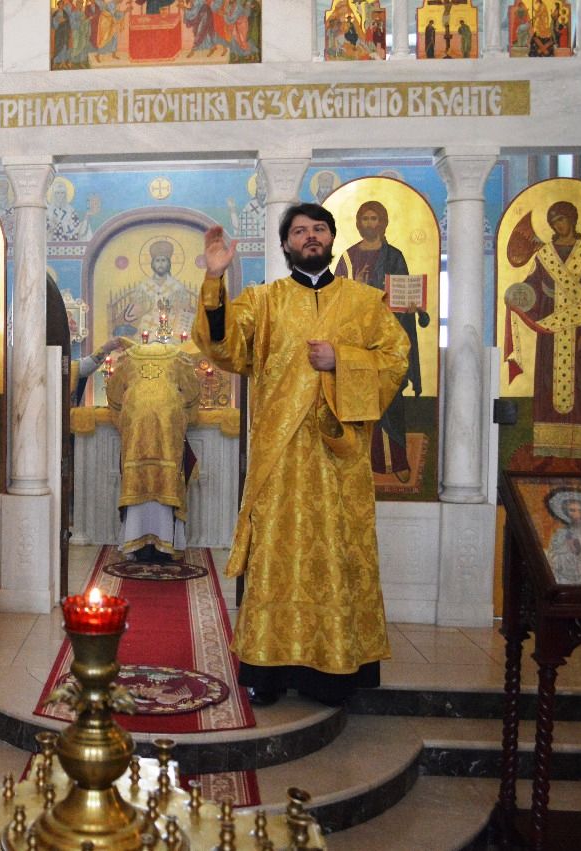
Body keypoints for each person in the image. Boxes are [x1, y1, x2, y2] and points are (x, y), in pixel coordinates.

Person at [193, 204, 409, 706]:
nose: (310, 237)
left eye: (318, 229)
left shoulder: (364, 302)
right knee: (276, 558)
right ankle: (266, 672)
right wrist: (215, 280)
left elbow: (396, 359)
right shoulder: (263, 301)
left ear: (332, 238)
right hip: (280, 456)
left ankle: (333, 674)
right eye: (299, 231)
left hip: (340, 457)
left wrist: (343, 360)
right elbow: (224, 348)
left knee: (336, 555)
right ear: (286, 244)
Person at [505, 201, 581, 460]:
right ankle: (546, 445)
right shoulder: (545, 255)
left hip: (580, 329)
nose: (558, 226)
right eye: (554, 223)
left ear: (572, 220)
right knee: (547, 382)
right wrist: (517, 296)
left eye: (562, 220)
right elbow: (532, 286)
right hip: (551, 331)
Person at [334, 200, 430, 483]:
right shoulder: (348, 258)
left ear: (383, 223)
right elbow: (334, 299)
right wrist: (356, 287)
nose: (370, 224)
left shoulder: (394, 256)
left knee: (391, 400)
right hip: (357, 343)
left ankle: (396, 460)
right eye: (365, 218)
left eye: (375, 218)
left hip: (388, 340)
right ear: (358, 223)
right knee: (358, 401)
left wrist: (412, 308)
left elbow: (403, 293)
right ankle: (359, 464)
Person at [105, 334, 201, 562]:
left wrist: (123, 420)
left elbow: (114, 394)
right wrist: (186, 416)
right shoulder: (178, 357)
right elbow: (192, 393)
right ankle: (165, 544)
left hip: (136, 423)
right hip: (168, 424)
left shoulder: (128, 357)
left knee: (136, 477)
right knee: (166, 479)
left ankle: (135, 542)